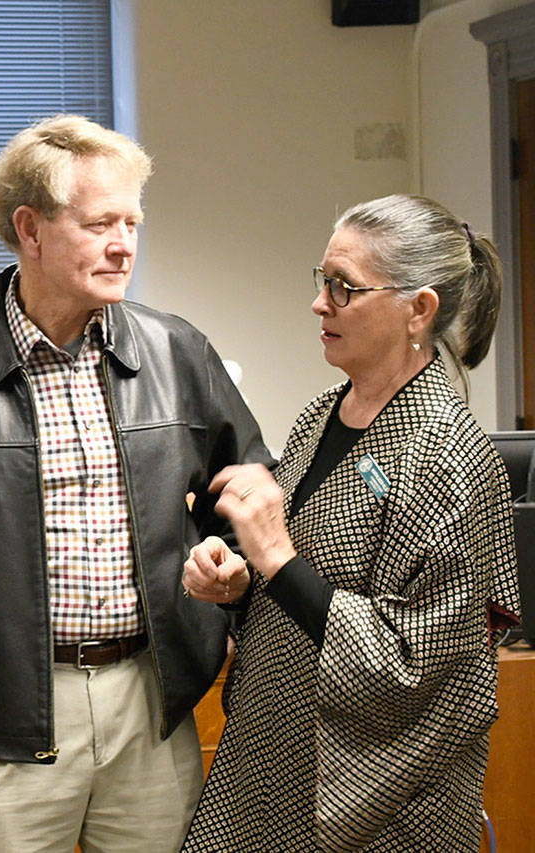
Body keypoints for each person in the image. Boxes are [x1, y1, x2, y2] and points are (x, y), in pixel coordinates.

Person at [0, 114, 273, 852]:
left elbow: (248, 489)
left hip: (151, 708)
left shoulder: (177, 352)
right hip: (0, 730)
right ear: (30, 228)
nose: (124, 245)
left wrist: (229, 560)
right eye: (99, 224)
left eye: (132, 222)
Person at [181, 194, 522, 851]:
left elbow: (412, 663)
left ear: (418, 309)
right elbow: (304, 581)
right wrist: (240, 580)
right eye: (322, 281)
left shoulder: (451, 454)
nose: (319, 303)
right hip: (275, 753)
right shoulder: (318, 417)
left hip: (379, 799)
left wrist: (276, 558)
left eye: (343, 287)